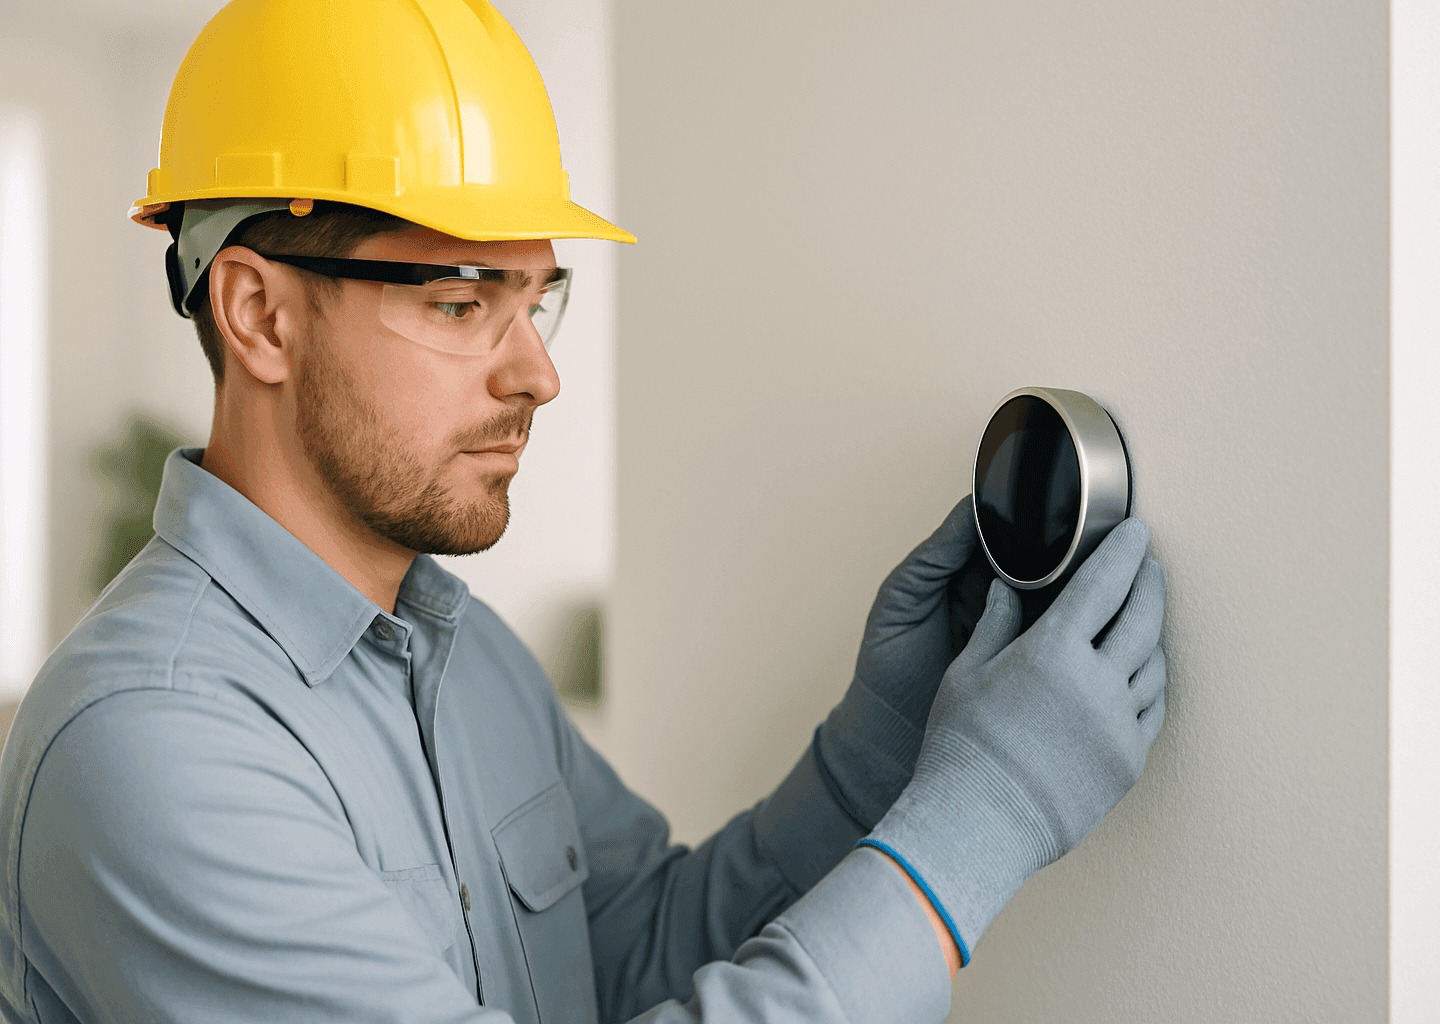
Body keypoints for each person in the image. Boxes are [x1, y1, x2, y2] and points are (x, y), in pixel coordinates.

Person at [0, 2, 1168, 1022]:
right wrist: (985, 818)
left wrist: (883, 744)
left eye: (535, 300)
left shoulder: (462, 654)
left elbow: (639, 950)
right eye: (461, 303)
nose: (538, 375)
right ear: (259, 315)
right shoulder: (151, 743)